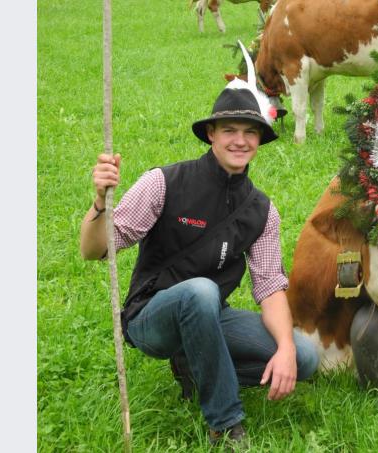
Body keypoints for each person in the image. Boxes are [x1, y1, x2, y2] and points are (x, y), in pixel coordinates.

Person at [79, 86, 319, 446]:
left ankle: (195, 366)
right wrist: (100, 203)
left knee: (305, 357)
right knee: (200, 291)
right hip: (151, 315)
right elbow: (95, 250)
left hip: (211, 314)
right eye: (229, 130)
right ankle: (224, 422)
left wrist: (285, 349)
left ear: (259, 139)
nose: (240, 141)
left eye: (250, 131)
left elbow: (270, 288)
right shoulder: (164, 182)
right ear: (211, 134)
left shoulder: (262, 211)